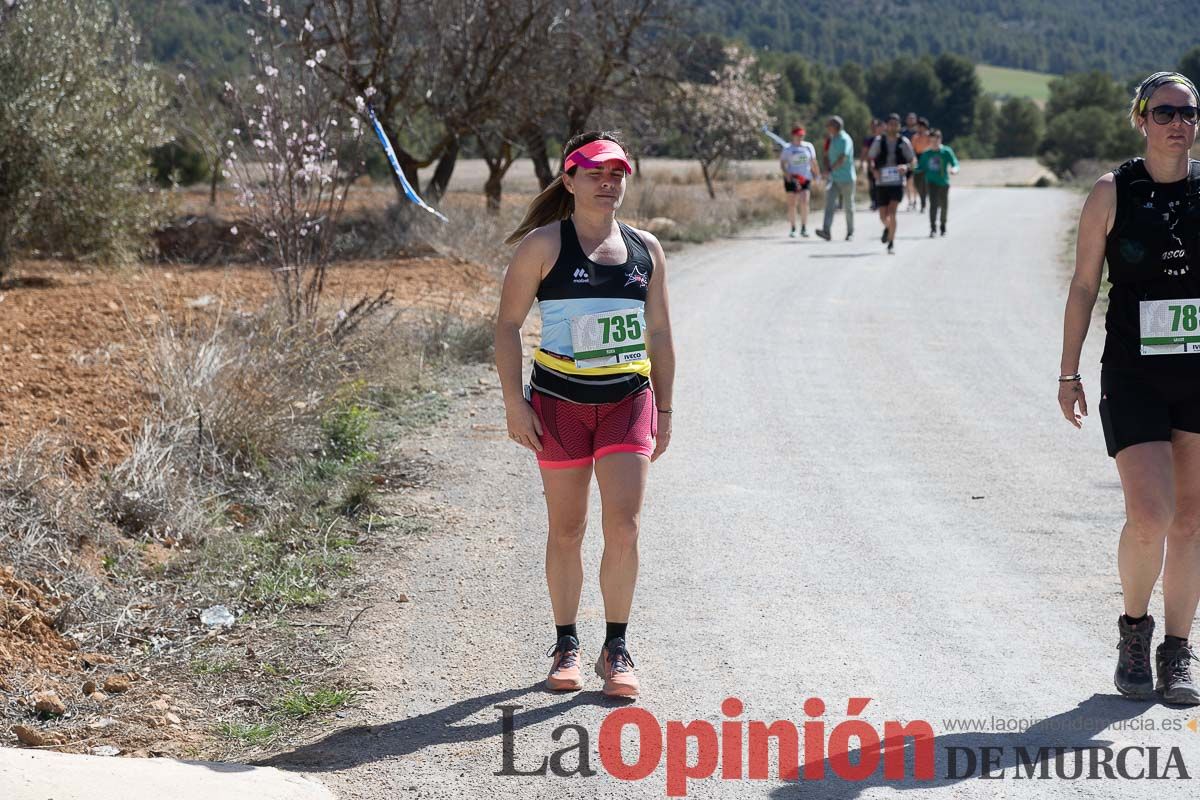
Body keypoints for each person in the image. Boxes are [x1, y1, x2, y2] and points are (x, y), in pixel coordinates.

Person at [496, 131, 676, 699]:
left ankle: (616, 648)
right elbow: (505, 327)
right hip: (559, 406)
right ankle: (566, 643)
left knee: (623, 527)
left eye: (618, 173)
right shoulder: (542, 246)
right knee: (567, 529)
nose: (608, 182)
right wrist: (513, 402)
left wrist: (666, 409)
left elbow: (662, 333)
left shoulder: (647, 248)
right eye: (596, 172)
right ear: (568, 179)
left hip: (628, 401)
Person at [1058, 71, 1200, 706]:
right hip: (1134, 374)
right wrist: (1068, 371)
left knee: (1193, 521)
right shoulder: (1112, 192)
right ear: (1142, 119)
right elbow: (1085, 285)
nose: (1179, 123)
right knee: (1150, 515)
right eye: (1166, 112)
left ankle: (1178, 655)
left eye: (1190, 113)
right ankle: (1134, 632)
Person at [867, 113, 915, 254]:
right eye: (891, 124)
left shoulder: (904, 142)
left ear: (899, 126)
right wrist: (874, 170)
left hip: (897, 182)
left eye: (896, 124)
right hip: (882, 182)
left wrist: (906, 167)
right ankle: (888, 228)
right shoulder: (878, 141)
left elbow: (913, 161)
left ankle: (891, 242)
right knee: (883, 215)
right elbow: (871, 158)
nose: (893, 127)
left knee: (892, 212)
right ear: (886, 126)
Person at [814, 116, 856, 241]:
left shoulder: (844, 139)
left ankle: (850, 232)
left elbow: (843, 157)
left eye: (829, 126)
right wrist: (827, 168)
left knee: (848, 206)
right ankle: (826, 231)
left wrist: (830, 170)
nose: (827, 128)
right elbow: (827, 155)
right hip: (834, 179)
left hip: (846, 178)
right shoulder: (832, 139)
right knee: (830, 205)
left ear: (836, 126)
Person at [914, 129, 958, 237]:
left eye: (936, 140)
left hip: (944, 182)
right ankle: (933, 228)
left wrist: (954, 169)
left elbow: (955, 163)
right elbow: (920, 167)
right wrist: (909, 167)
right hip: (931, 182)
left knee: (944, 205)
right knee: (933, 205)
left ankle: (943, 226)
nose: (934, 143)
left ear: (940, 140)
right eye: (932, 141)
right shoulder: (927, 154)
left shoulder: (946, 151)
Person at [780, 125, 820, 237]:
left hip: (805, 177)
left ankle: (804, 227)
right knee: (792, 203)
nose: (800, 137)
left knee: (804, 201)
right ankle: (793, 227)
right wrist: (786, 173)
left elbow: (813, 162)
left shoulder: (808, 147)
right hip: (792, 178)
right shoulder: (787, 148)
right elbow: (783, 164)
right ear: (793, 135)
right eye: (798, 135)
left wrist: (817, 175)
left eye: (802, 135)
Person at [909, 117, 933, 212]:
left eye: (919, 126)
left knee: (926, 181)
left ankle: (924, 202)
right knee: (917, 181)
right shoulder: (915, 137)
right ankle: (922, 197)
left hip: (928, 158)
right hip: (918, 158)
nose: (918, 128)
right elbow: (912, 150)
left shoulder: (929, 136)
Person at [861, 119, 884, 211]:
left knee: (880, 184)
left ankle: (880, 201)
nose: (874, 127)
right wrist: (863, 162)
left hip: (882, 165)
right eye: (873, 126)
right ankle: (874, 201)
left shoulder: (884, 139)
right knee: (872, 184)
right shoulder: (868, 139)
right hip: (871, 164)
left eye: (876, 125)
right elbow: (864, 151)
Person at [901, 112, 920, 209]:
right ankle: (909, 201)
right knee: (908, 181)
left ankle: (915, 200)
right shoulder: (903, 132)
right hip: (905, 159)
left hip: (915, 158)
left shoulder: (918, 132)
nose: (911, 120)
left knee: (915, 181)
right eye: (909, 118)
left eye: (913, 119)